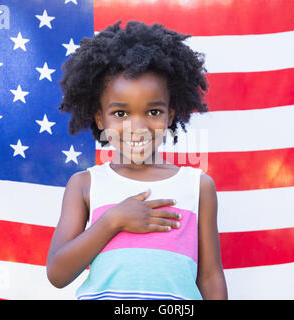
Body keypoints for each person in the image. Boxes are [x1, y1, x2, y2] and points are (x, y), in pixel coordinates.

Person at [46, 20, 227, 300]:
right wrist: (112, 221)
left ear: (170, 114)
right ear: (99, 118)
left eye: (153, 112)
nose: (137, 126)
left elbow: (210, 276)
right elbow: (58, 273)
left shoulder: (198, 186)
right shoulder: (84, 184)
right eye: (120, 114)